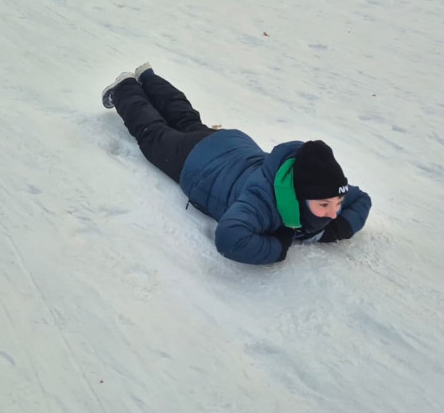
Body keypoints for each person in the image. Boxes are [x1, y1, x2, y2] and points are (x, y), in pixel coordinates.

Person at [101, 64, 373, 265]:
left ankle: (149, 77)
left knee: (187, 121)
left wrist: (335, 230)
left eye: (337, 203)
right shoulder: (262, 202)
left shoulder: (318, 186)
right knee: (153, 133)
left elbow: (362, 200)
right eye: (324, 206)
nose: (333, 213)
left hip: (232, 143)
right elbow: (230, 239)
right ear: (298, 195)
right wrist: (282, 243)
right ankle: (125, 87)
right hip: (197, 163)